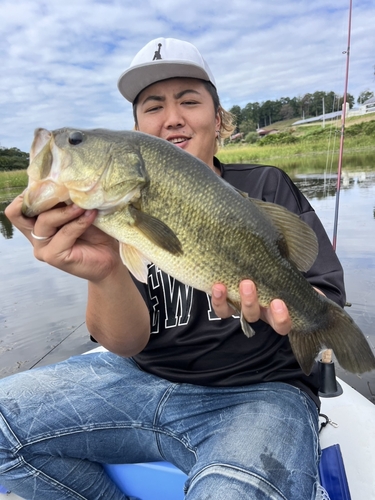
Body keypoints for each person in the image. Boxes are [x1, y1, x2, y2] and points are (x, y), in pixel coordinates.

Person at [0, 37, 344, 499]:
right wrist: (103, 272)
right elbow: (125, 343)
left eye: (189, 100)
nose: (172, 117)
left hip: (259, 392)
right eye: (153, 106)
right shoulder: (108, 214)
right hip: (137, 382)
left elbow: (324, 295)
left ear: (218, 119)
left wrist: (302, 310)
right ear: (137, 130)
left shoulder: (264, 184)